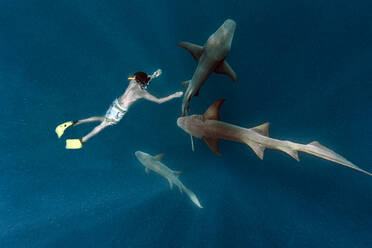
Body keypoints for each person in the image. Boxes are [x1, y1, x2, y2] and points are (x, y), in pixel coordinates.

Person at [55, 69, 183, 149]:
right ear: (143, 82)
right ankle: (82, 141)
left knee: (101, 119)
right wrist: (173, 95)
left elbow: (143, 80)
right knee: (102, 125)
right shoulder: (142, 94)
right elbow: (159, 101)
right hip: (119, 111)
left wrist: (153, 75)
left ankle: (73, 122)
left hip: (115, 104)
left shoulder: (132, 81)